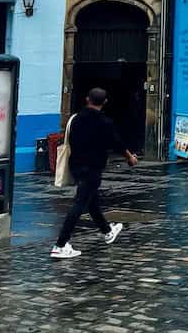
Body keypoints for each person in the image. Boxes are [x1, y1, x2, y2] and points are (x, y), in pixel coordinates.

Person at [51, 87, 138, 259]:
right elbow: (117, 143)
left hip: (76, 165)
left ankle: (107, 231)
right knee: (80, 203)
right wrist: (130, 158)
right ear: (105, 102)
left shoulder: (75, 119)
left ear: (86, 99)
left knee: (91, 201)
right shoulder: (105, 122)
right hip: (92, 168)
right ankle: (60, 244)